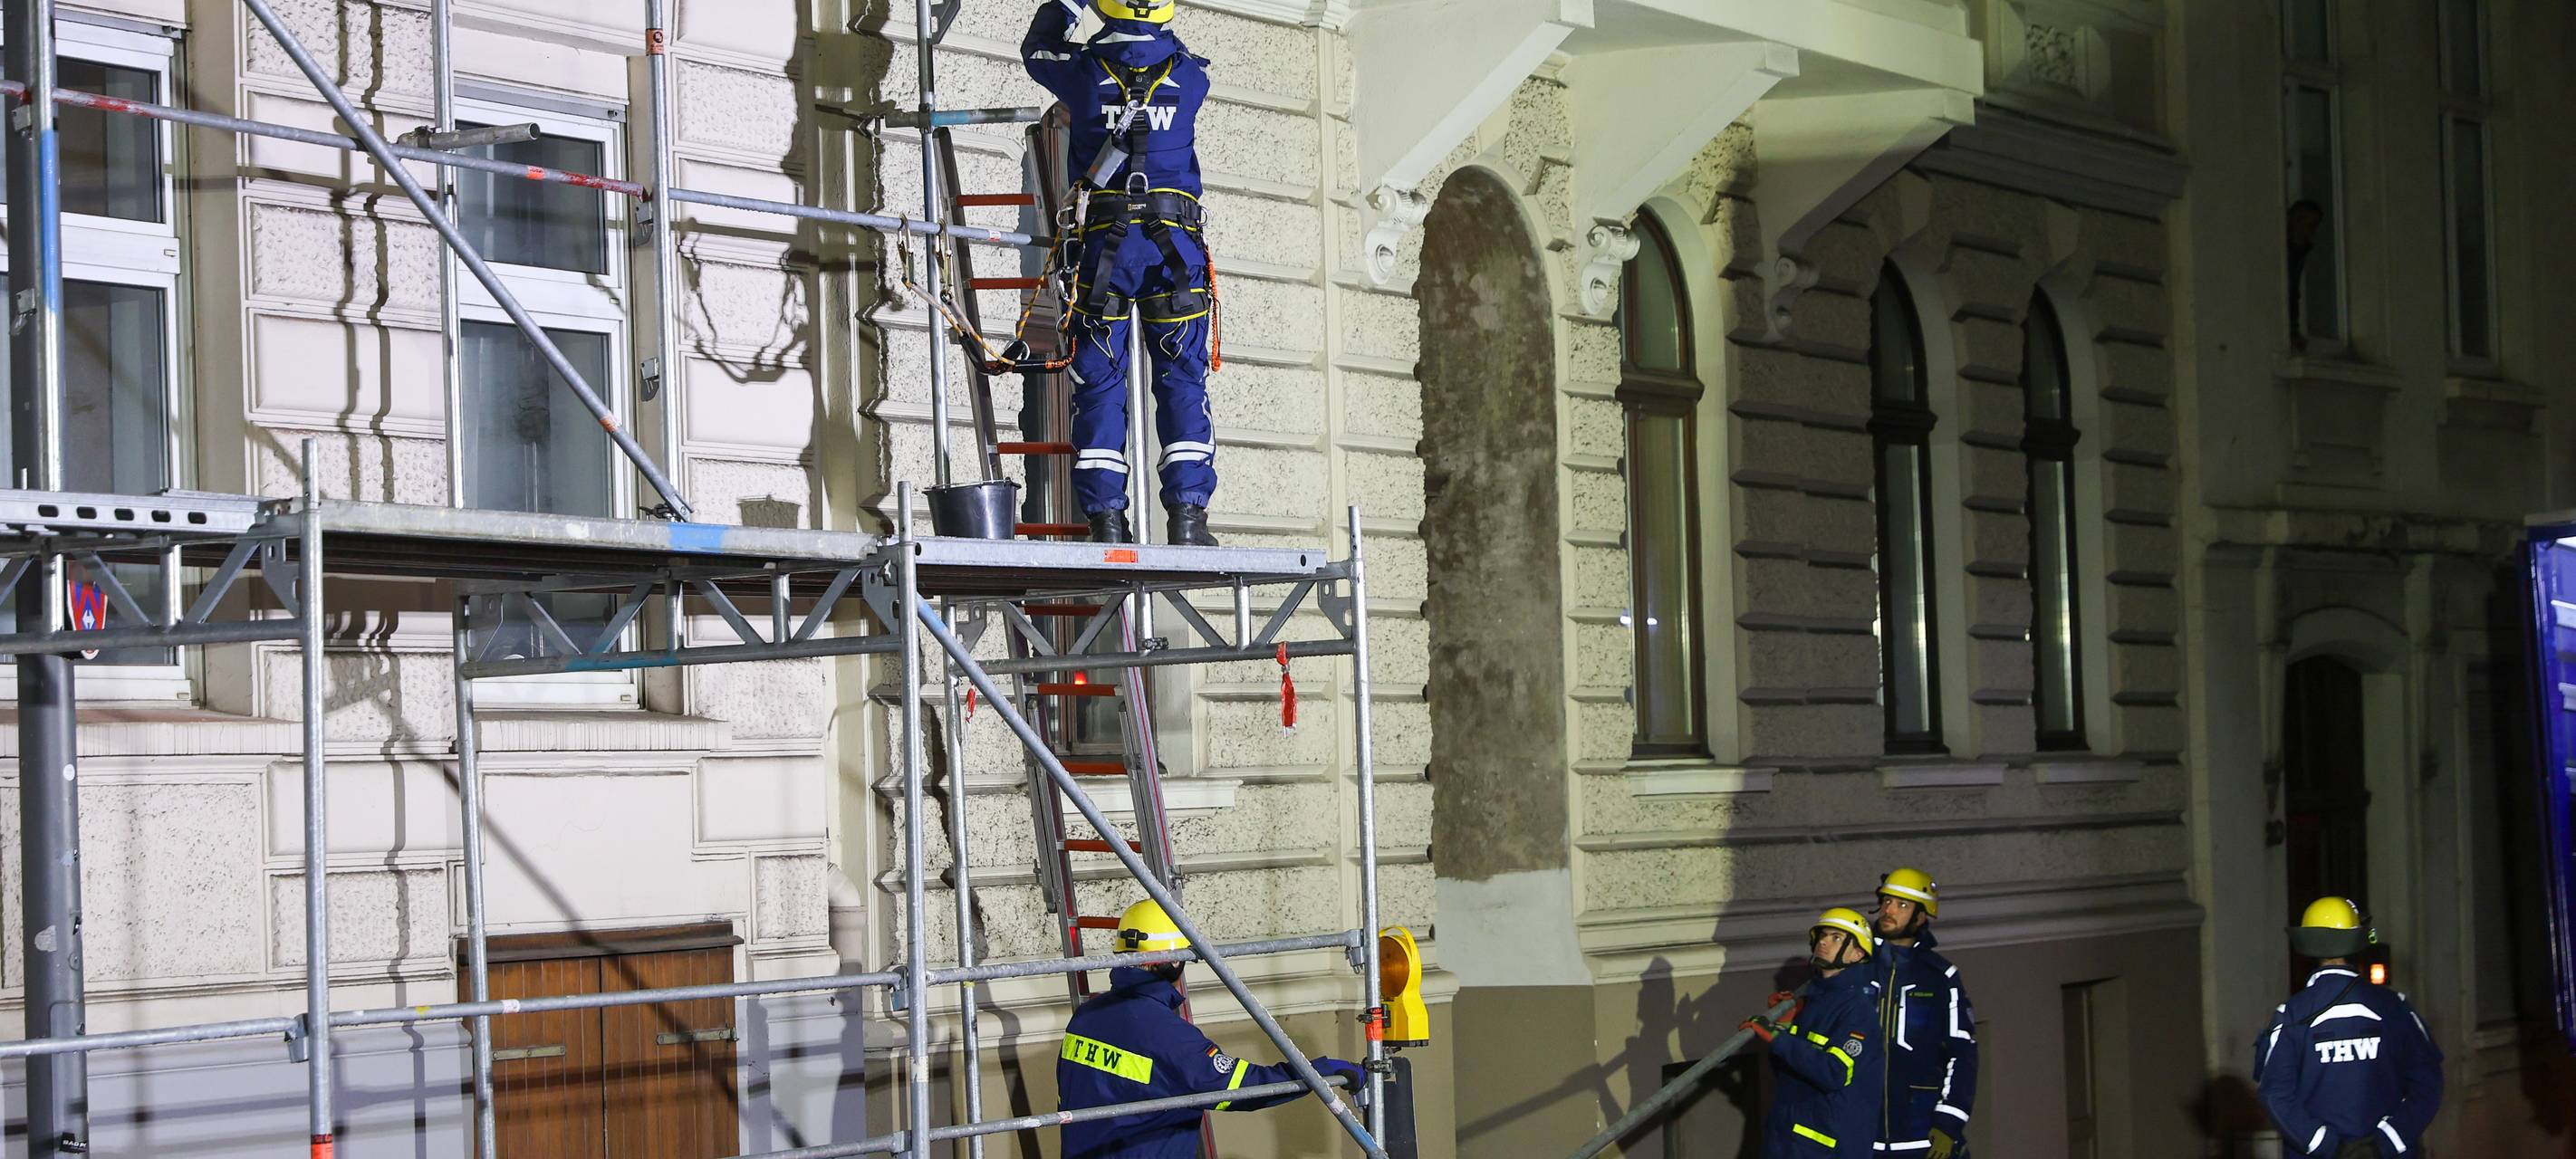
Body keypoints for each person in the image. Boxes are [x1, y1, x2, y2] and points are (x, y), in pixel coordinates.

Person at [1021, 0, 1221, 546]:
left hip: (1103, 255)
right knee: (1181, 379)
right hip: (1174, 254)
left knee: (1100, 386)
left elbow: (1036, 49)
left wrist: (1067, 5)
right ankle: (1187, 518)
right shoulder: (1190, 76)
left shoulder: (1082, 72)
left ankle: (1107, 520)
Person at [1057, 899, 1365, 1158]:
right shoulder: (1166, 1034)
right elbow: (1246, 1088)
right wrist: (1325, 1071)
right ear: (1172, 962)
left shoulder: (1086, 1016)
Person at [2255, 897, 2443, 1157]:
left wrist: (2330, 1146)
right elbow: (2428, 1085)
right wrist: (2383, 1143)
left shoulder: (2291, 1015)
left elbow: (2275, 1095)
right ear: (2357, 941)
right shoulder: (2396, 1007)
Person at [1745, 907, 1885, 1156]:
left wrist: (1780, 1038)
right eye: (1822, 935)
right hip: (1788, 1139)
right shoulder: (1812, 1001)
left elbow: (1834, 1072)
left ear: (1857, 953)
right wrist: (1786, 1027)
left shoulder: (1857, 1011)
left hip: (1825, 1147)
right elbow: (1786, 1071)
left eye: (1836, 938)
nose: (1823, 942)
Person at [1869, 867, 1978, 1157]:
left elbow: (1963, 1053)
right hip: (1862, 1139)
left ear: (1920, 917)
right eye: (1887, 902)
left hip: (1921, 1140)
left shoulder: (1941, 977)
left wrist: (1948, 1124)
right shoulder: (1856, 969)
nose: (1889, 910)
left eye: (1902, 905)